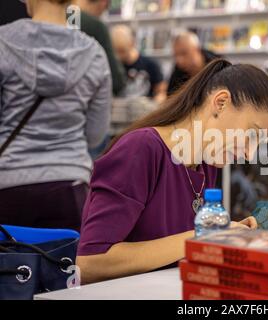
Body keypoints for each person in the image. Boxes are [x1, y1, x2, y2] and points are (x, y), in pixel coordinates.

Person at [76, 59, 268, 284]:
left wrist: (226, 235)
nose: (249, 154)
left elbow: (174, 248)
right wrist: (203, 237)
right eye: (252, 135)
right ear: (220, 103)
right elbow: (89, 262)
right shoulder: (140, 150)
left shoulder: (206, 164)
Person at [0, 0, 112, 231]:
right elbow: (95, 134)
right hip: (69, 185)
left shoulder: (3, 42)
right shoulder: (95, 54)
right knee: (63, 265)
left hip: (8, 181)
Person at [72, 0, 126, 96]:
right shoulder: (96, 27)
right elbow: (115, 80)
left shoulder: (65, 18)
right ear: (103, 3)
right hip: (84, 101)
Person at [111, 24, 167, 103]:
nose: (119, 56)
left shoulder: (151, 64)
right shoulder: (113, 66)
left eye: (122, 50)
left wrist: (155, 105)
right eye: (116, 51)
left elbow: (161, 93)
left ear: (132, 43)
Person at [167, 31, 219, 96]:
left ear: (197, 49)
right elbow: (170, 97)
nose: (179, 60)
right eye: (176, 55)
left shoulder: (218, 65)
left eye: (184, 53)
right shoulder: (177, 70)